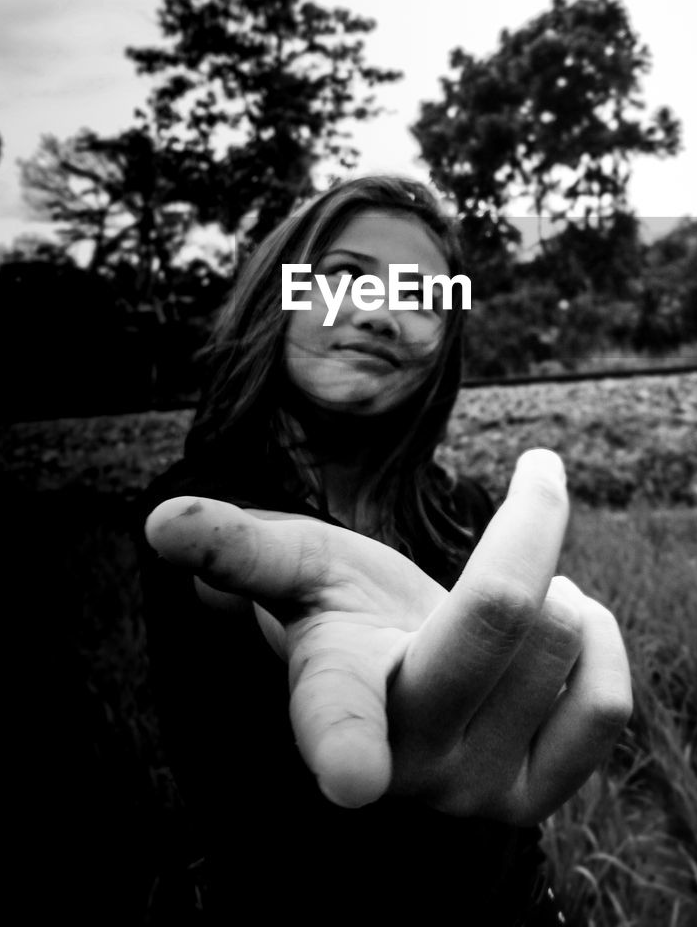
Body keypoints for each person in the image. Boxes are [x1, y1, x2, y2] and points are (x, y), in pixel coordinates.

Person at [139, 174, 632, 925]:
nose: (378, 314)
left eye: (422, 298)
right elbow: (259, 575)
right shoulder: (209, 511)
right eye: (342, 279)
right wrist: (310, 609)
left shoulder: (464, 512)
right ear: (276, 298)